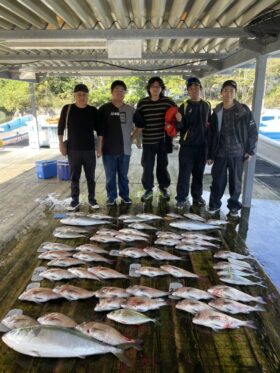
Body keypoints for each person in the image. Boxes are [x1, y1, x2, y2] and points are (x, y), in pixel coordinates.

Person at [207, 80, 258, 218]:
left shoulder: (243, 110)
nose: (229, 93)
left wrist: (250, 150)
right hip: (220, 154)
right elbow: (211, 135)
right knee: (218, 181)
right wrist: (210, 155)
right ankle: (214, 204)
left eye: (232, 90)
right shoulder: (216, 111)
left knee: (236, 184)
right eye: (226, 90)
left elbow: (253, 131)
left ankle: (234, 207)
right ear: (221, 93)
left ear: (235, 93)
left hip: (238, 153)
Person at [58, 83, 102, 211]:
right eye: (79, 94)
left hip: (89, 149)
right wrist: (61, 144)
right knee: (74, 177)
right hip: (73, 150)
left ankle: (92, 199)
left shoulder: (93, 110)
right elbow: (60, 127)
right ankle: (75, 200)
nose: (81, 97)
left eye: (84, 94)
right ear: (74, 95)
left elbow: (100, 131)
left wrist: (99, 147)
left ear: (87, 96)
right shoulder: (68, 108)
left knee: (90, 177)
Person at [135, 76, 176, 202]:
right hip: (147, 141)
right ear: (149, 88)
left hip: (162, 140)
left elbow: (176, 115)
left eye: (158, 86)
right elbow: (138, 122)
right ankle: (148, 189)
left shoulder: (168, 102)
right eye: (153, 86)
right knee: (147, 166)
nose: (155, 88)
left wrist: (174, 126)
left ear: (162, 88)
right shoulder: (142, 103)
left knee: (162, 166)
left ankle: (163, 188)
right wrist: (138, 139)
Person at [98, 80, 137, 206]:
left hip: (125, 149)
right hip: (108, 150)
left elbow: (141, 125)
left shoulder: (131, 109)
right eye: (117, 90)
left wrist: (133, 138)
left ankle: (125, 196)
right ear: (111, 92)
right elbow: (99, 130)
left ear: (125, 93)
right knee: (110, 176)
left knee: (123, 176)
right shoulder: (104, 109)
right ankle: (111, 197)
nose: (119, 92)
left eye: (122, 90)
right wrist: (99, 147)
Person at [174, 77, 211, 209]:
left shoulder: (207, 105)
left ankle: (197, 196)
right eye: (191, 88)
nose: (194, 90)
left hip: (202, 146)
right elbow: (179, 128)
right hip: (187, 146)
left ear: (200, 89)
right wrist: (178, 120)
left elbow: (209, 125)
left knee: (198, 173)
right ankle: (181, 198)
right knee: (184, 173)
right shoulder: (184, 106)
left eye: (196, 87)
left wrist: (209, 149)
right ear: (188, 91)